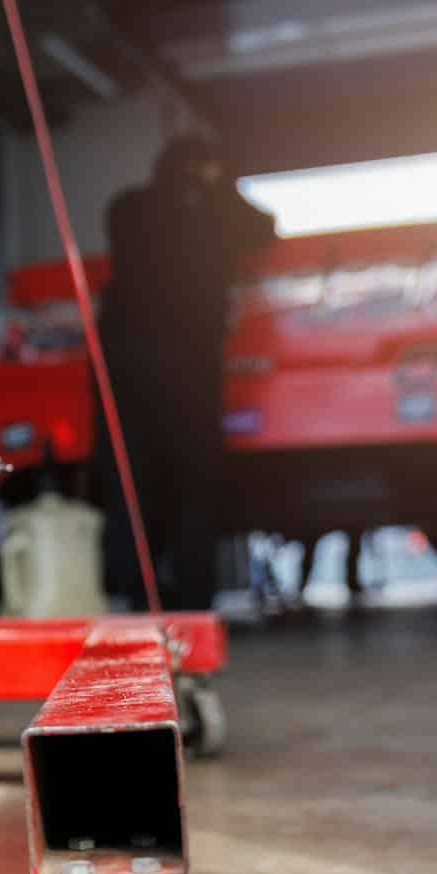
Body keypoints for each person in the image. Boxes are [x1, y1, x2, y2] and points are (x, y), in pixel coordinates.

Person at [98, 136, 274, 609]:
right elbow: (265, 230)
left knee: (131, 476)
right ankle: (195, 595)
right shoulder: (212, 213)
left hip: (127, 359)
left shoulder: (128, 207)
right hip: (188, 359)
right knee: (196, 475)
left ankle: (134, 591)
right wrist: (219, 189)